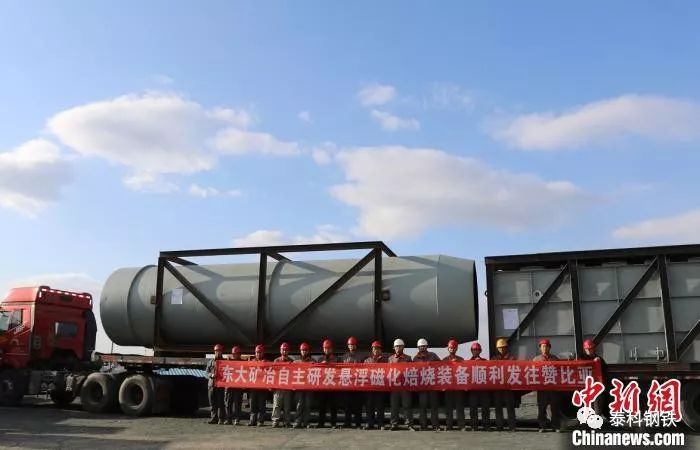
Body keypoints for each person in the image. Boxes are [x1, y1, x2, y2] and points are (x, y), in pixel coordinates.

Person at [533, 338, 560, 432]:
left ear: (549, 347)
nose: (545, 348)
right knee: (542, 408)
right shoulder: (536, 360)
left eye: (546, 346)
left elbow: (560, 371)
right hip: (542, 388)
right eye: (543, 346)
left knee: (554, 408)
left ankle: (555, 426)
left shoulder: (555, 359)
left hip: (553, 388)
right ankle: (542, 426)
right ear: (540, 348)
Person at [413, 338, 441, 431]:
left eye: (424, 346)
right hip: (422, 387)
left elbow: (441, 366)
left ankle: (435, 425)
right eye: (420, 346)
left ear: (427, 346)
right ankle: (423, 425)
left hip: (432, 386)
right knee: (422, 407)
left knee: (434, 406)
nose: (422, 348)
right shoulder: (415, 359)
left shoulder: (433, 356)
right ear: (418, 347)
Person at [389, 338, 415, 431]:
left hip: (405, 386)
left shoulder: (408, 358)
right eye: (396, 346)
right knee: (394, 406)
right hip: (394, 387)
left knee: (407, 405)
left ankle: (409, 424)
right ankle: (394, 424)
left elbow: (412, 371)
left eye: (400, 346)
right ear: (394, 348)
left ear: (403, 347)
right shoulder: (390, 359)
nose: (398, 348)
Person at [491, 338, 517, 431]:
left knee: (510, 407)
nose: (501, 349)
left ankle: (512, 426)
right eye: (499, 348)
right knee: (498, 407)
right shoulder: (494, 359)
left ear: (506, 348)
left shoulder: (512, 358)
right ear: (497, 349)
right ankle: (499, 425)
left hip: (508, 387)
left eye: (503, 347)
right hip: (497, 387)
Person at [363, 340, 388, 430]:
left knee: (380, 406)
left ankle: (381, 424)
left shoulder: (385, 361)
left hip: (380, 387)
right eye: (374, 349)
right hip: (370, 388)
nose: (376, 350)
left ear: (380, 350)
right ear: (372, 350)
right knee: (369, 406)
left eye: (378, 348)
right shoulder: (367, 361)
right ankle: (369, 423)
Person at [580, 339, 607, 417]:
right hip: (586, 388)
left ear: (593, 349)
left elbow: (605, 372)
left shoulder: (599, 360)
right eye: (587, 349)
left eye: (590, 349)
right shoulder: (582, 359)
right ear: (584, 349)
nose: (589, 351)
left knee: (597, 407)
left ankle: (596, 420)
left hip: (596, 387)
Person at [316, 339, 340, 428]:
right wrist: (321, 365)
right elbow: (315, 371)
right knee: (322, 405)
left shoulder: (336, 359)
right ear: (323, 349)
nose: (327, 350)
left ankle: (333, 423)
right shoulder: (320, 359)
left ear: (332, 349)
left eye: (328, 348)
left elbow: (340, 370)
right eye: (325, 348)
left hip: (333, 386)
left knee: (333, 406)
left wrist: (331, 364)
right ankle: (321, 423)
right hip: (323, 386)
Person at [341, 336, 363, 428]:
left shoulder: (360, 357)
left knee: (357, 405)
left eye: (353, 345)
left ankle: (358, 423)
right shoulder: (344, 357)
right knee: (347, 405)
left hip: (357, 385)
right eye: (350, 345)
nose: (351, 346)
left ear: (355, 346)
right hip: (347, 384)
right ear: (348, 346)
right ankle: (347, 422)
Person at [443, 339, 465, 431]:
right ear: (448, 349)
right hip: (448, 387)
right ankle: (449, 425)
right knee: (448, 407)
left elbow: (464, 372)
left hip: (458, 387)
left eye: (454, 348)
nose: (452, 349)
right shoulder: (444, 360)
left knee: (459, 407)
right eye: (450, 348)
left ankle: (461, 425)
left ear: (456, 349)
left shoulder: (461, 360)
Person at [468, 342, 490, 431]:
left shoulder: (485, 361)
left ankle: (486, 425)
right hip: (473, 389)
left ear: (480, 351)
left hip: (483, 389)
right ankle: (474, 425)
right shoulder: (467, 362)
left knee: (485, 408)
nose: (475, 351)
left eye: (477, 350)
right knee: (473, 408)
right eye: (474, 350)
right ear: (471, 351)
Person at [272, 342, 294, 427]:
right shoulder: (276, 361)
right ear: (280, 351)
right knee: (276, 405)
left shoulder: (291, 361)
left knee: (287, 406)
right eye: (283, 350)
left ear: (288, 351)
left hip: (287, 387)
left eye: (286, 350)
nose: (284, 351)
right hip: (278, 387)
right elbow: (273, 374)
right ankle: (275, 421)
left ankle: (287, 421)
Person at [293, 342, 314, 428]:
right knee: (299, 404)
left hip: (308, 387)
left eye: (305, 350)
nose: (304, 352)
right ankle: (298, 421)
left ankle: (306, 422)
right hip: (299, 387)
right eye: (302, 350)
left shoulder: (313, 362)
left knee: (307, 405)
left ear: (308, 351)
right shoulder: (296, 362)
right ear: (300, 351)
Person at [248, 344, 268, 426]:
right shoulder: (251, 362)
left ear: (263, 353)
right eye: (257, 352)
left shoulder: (266, 362)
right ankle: (252, 420)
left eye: (260, 352)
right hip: (253, 388)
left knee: (261, 405)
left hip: (262, 388)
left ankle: (260, 421)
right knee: (252, 405)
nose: (258, 354)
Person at [206, 344, 226, 424]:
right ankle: (214, 418)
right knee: (212, 403)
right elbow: (207, 372)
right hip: (211, 385)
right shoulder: (210, 362)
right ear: (214, 351)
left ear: (222, 352)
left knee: (220, 403)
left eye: (219, 351)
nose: (218, 352)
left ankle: (221, 419)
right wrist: (211, 375)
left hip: (220, 385)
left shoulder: (225, 362)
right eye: (216, 351)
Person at [224, 345, 244, 425]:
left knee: (237, 404)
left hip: (238, 387)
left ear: (240, 354)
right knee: (228, 403)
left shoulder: (244, 363)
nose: (235, 355)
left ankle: (237, 419)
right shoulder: (228, 362)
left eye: (237, 354)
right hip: (229, 386)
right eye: (234, 354)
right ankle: (228, 419)